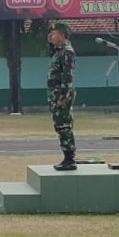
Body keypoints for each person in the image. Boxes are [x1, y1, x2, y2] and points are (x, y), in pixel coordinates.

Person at [48, 21, 77, 171]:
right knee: (60, 126)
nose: (51, 36)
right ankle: (67, 156)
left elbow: (68, 77)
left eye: (55, 33)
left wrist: (63, 97)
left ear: (62, 35)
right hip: (56, 95)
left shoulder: (67, 52)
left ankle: (69, 158)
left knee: (64, 126)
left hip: (62, 96)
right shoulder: (59, 51)